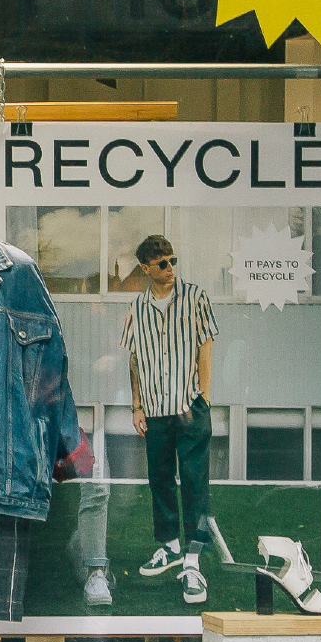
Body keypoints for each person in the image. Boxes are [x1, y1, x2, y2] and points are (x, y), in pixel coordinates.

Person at [123, 231, 218, 605]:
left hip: (189, 407)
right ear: (146, 268)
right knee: (160, 479)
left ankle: (193, 561)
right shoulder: (137, 309)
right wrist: (136, 405)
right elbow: (134, 358)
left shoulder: (196, 298)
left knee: (195, 482)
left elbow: (206, 346)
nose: (170, 268)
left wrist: (204, 399)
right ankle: (170, 545)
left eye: (173, 261)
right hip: (155, 409)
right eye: (162, 263)